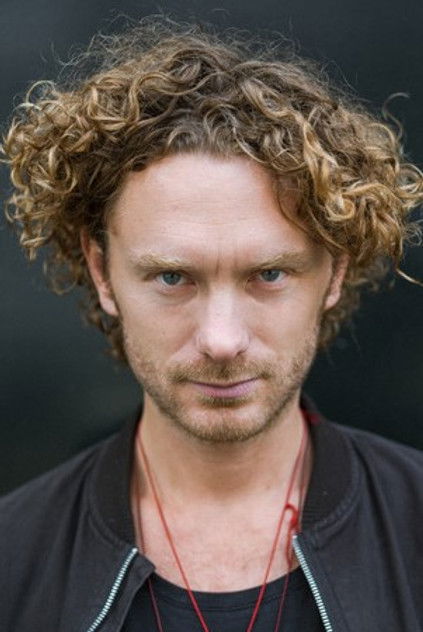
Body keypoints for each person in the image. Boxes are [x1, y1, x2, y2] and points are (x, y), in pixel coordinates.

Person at [1, 16, 422, 632]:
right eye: (173, 277)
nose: (221, 341)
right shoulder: (12, 560)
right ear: (101, 271)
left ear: (334, 272)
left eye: (269, 274)